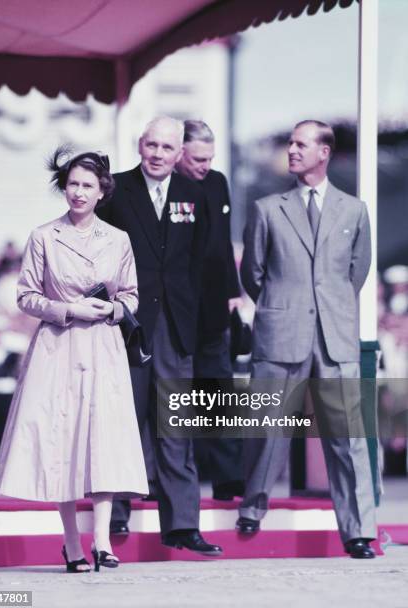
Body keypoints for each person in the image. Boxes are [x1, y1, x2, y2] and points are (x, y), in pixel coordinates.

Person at [0, 148, 149, 572]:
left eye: (87, 185)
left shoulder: (118, 240)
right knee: (62, 440)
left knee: (104, 439)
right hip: (57, 347)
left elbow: (131, 294)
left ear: (102, 192)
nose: (78, 192)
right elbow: (26, 295)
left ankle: (102, 540)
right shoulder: (44, 236)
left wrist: (115, 311)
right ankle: (72, 544)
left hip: (103, 348)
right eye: (73, 184)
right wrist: (68, 310)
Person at [239, 120, 377, 559]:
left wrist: (327, 307)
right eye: (291, 144)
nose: (292, 151)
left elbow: (355, 273)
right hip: (281, 331)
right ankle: (252, 506)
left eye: (301, 145)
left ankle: (358, 531)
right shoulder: (266, 209)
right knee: (268, 428)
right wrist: (286, 306)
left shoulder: (354, 211)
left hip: (335, 335)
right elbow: (253, 276)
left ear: (324, 153)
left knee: (347, 437)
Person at [97, 116, 222, 556]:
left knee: (176, 427)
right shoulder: (115, 191)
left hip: (177, 326)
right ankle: (114, 515)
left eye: (167, 148)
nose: (157, 154)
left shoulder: (195, 195)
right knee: (123, 421)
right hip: (126, 325)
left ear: (179, 154)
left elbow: (200, 264)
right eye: (151, 145)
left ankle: (183, 525)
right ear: (140, 144)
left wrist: (203, 329)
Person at [175, 119, 244, 500]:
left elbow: (222, 243)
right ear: (180, 152)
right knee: (174, 393)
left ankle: (228, 477)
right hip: (177, 307)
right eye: (198, 158)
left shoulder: (217, 182)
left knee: (220, 390)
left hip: (216, 305)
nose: (204, 165)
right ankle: (163, 480)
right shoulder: (168, 186)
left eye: (208, 158)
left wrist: (233, 293)